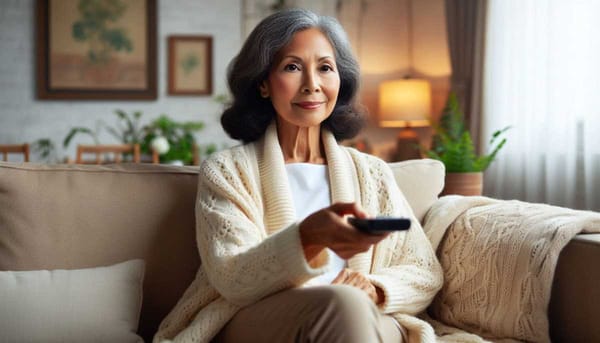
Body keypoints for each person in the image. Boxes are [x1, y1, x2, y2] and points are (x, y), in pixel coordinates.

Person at [154, 8, 443, 343]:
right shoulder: (226, 171)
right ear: (263, 83)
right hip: (262, 317)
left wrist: (376, 288)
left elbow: (424, 271)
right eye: (292, 67)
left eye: (325, 68)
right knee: (344, 304)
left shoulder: (373, 173)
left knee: (352, 305)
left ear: (340, 80)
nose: (312, 85)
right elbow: (232, 278)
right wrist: (307, 237)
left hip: (365, 317)